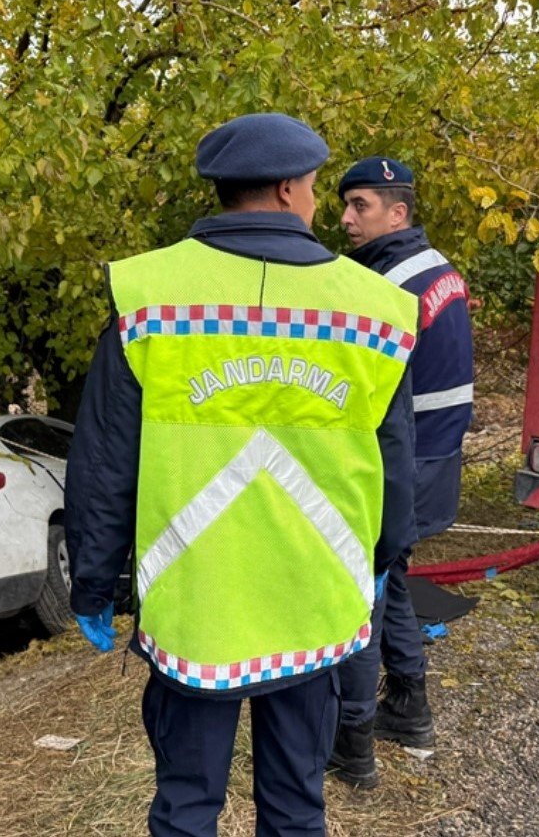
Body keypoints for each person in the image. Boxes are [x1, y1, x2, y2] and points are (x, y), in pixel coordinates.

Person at [65, 113, 418, 837]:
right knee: (295, 808)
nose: (321, 203)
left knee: (186, 806)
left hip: (197, 604)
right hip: (313, 601)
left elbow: (104, 461)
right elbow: (396, 461)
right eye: (319, 188)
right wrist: (385, 560)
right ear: (289, 190)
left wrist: (93, 586)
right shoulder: (377, 313)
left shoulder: (149, 296)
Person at [327, 156, 474, 789]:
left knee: (363, 593)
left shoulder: (389, 285)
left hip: (399, 463)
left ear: (398, 212)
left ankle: (352, 744)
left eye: (360, 205)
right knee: (391, 575)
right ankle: (409, 708)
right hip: (433, 458)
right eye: (344, 204)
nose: (345, 218)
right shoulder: (436, 270)